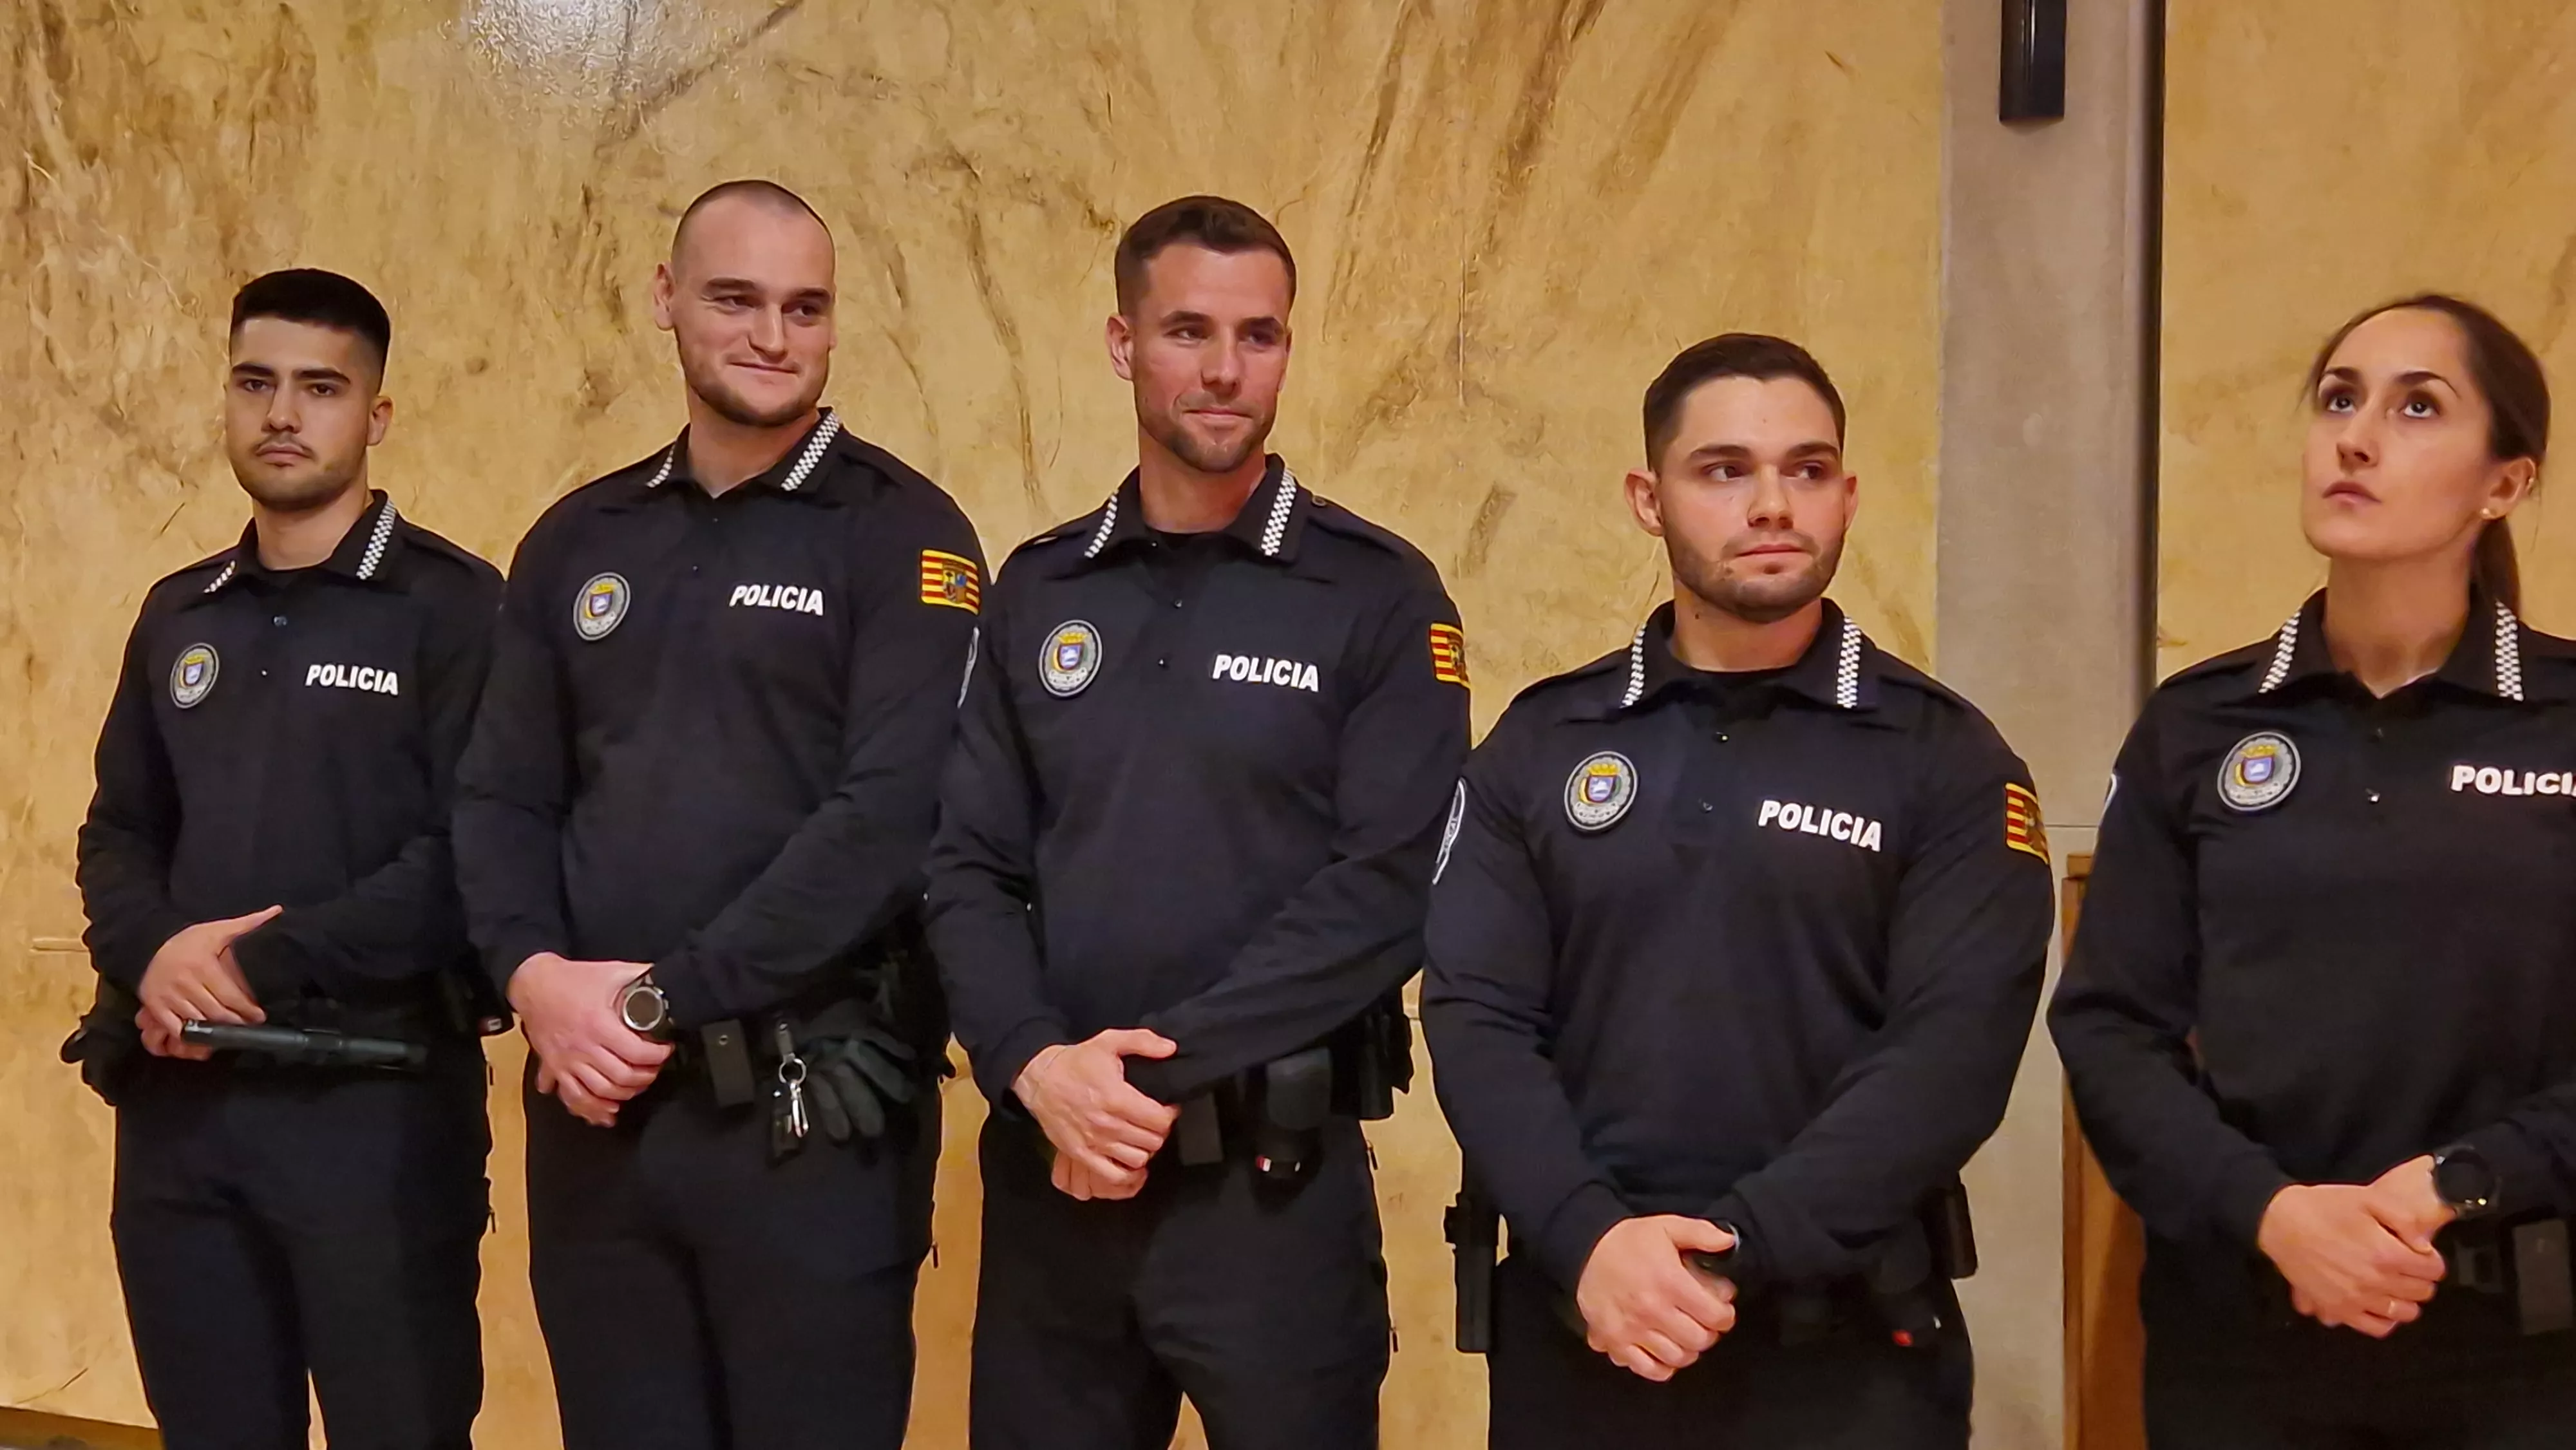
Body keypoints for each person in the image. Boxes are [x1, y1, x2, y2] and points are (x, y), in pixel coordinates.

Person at [1420, 334, 2053, 1449]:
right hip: (1587, 1329)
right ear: (1647, 499)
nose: (1771, 504)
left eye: (1805, 471)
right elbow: (1477, 1017)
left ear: (1849, 496)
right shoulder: (1541, 743)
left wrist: (1733, 1251)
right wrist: (1592, 1240)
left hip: (1849, 1357)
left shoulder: (1948, 759)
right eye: (1724, 470)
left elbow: (1951, 1054)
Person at [925, 194, 1471, 1450]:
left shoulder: (1375, 595)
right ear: (1123, 343)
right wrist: (1033, 1066)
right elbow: (963, 870)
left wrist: (1136, 1078)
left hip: (1268, 1201)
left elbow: (1387, 889)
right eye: (1186, 330)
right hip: (1055, 1186)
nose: (1224, 370)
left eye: (1258, 335)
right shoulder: (1040, 588)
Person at [452, 180, 983, 1450]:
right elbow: (499, 795)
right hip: (595, 1112)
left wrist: (651, 1000)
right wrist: (534, 981)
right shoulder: (578, 537)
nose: (771, 335)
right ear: (665, 300)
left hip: (808, 1119)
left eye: (805, 308)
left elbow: (888, 819)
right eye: (735, 299)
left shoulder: (905, 533)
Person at [2050, 294, 2576, 1448]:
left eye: (2417, 406)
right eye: (2339, 398)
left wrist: (2460, 1180)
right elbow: (2109, 1027)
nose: (2356, 435)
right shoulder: (2201, 724)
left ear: (2506, 484)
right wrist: (2276, 1214)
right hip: (2246, 1335)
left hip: (2522, 1349)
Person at [69, 268, 501, 1450]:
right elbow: (117, 830)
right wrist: (154, 955)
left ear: (376, 415)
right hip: (182, 1113)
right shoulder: (180, 614)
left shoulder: (455, 608)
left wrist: (263, 960)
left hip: (374, 1111)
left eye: (320, 387)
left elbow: (474, 856)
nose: (282, 415)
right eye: (256, 382)